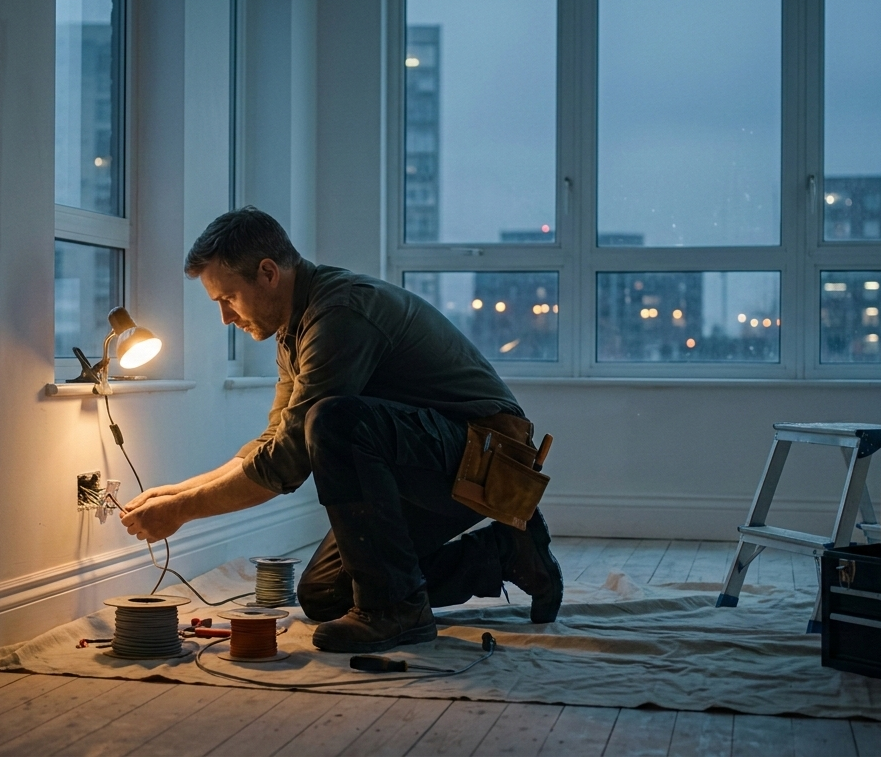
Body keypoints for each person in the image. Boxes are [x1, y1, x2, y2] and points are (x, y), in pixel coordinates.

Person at [120, 207, 563, 653]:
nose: (225, 317)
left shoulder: (339, 314)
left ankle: (395, 610)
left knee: (333, 421)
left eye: (228, 298)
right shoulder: (294, 329)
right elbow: (274, 440)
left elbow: (286, 463)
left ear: (268, 273)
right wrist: (176, 494)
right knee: (324, 596)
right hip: (430, 460)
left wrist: (183, 512)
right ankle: (504, 554)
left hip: (489, 460)